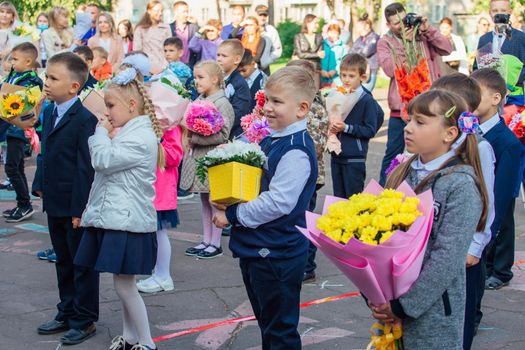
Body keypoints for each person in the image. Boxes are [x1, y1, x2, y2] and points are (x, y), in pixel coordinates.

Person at [211, 66, 318, 349]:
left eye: (277, 102)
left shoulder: (295, 149)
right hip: (260, 248)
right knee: (269, 324)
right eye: (267, 99)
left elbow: (278, 202)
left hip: (277, 253)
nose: (268, 108)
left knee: (279, 331)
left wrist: (232, 214)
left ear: (302, 108)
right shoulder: (274, 136)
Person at [373, 90, 488, 348]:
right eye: (409, 119)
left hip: (434, 312)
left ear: (449, 134)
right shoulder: (402, 171)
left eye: (420, 122)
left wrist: (404, 306)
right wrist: (375, 295)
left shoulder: (460, 185)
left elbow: (447, 257)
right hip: (391, 304)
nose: (408, 128)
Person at [75, 67, 163, 350]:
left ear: (132, 105)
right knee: (122, 284)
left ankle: (147, 342)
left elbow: (102, 160)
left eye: (111, 105)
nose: (107, 112)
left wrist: (100, 132)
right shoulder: (131, 132)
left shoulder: (140, 137)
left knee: (125, 286)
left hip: (127, 221)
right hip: (118, 218)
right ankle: (130, 338)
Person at [33, 52, 99, 345]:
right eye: (47, 76)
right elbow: (45, 151)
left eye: (53, 78)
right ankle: (67, 309)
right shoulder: (49, 111)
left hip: (74, 204)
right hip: (55, 199)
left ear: (74, 87)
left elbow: (86, 168)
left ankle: (84, 319)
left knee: (81, 263)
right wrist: (40, 183)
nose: (46, 83)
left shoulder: (85, 119)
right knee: (63, 259)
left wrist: (80, 209)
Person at [430, 73, 496, 350]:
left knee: (460, 325)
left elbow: (487, 200)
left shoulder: (478, 146)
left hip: (466, 256)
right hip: (437, 252)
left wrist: (475, 246)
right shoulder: (434, 146)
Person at [377, 2, 452, 186]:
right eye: (396, 24)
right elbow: (389, 69)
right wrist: (406, 44)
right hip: (401, 108)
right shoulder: (385, 42)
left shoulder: (423, 34)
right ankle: (384, 190)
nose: (402, 26)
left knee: (429, 151)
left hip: (430, 104)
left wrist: (429, 30)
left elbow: (447, 48)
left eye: (404, 20)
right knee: (393, 155)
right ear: (388, 25)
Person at [470, 69, 521, 330]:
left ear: (495, 98)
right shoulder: (465, 130)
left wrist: (489, 231)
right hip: (465, 212)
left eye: (475, 93)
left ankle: (473, 317)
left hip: (483, 221)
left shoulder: (507, 142)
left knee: (476, 270)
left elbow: (500, 196)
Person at [182, 60, 234, 259]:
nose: (196, 81)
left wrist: (194, 137)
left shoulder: (222, 103)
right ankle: (206, 239)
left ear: (215, 79)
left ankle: (215, 243)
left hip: (213, 157)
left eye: (200, 77)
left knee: (215, 201)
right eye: (195, 77)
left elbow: (223, 134)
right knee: (204, 200)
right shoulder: (198, 100)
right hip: (198, 158)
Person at [287, 59, 328, 283]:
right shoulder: (298, 104)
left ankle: (307, 265)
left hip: (310, 175)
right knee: (295, 220)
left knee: (305, 221)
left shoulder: (315, 108)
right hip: (297, 173)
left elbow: (316, 146)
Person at [137, 124, 183, 293]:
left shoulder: (169, 125)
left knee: (159, 232)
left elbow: (174, 157)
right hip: (150, 186)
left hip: (160, 188)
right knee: (153, 233)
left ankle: (163, 276)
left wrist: (158, 139)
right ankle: (158, 273)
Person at [330, 53, 384, 199]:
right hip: (336, 154)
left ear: (362, 77)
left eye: (351, 76)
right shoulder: (337, 95)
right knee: (338, 198)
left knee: (353, 199)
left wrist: (346, 128)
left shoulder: (366, 100)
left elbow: (370, 129)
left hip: (355, 157)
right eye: (343, 75)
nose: (346, 80)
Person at [0, 43, 43, 223]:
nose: (11, 62)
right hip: (10, 127)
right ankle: (22, 203)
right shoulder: (15, 74)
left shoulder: (31, 79)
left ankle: (25, 205)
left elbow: (25, 103)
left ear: (28, 61)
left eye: (15, 59)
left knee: (12, 167)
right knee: (16, 167)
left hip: (19, 128)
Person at [216, 39, 251, 139]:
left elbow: (238, 113)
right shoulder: (217, 79)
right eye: (218, 55)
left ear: (236, 59)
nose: (219, 59)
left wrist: (216, 125)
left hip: (232, 135)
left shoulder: (240, 84)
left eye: (224, 56)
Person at [134, 0, 171, 75]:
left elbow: (170, 49)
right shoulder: (140, 29)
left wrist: (164, 67)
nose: (160, 13)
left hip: (164, 68)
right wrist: (149, 68)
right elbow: (137, 52)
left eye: (161, 11)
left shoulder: (166, 27)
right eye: (157, 11)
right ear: (149, 11)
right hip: (146, 70)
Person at [351, 14, 380, 91]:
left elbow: (366, 52)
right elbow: (351, 52)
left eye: (359, 27)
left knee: (365, 93)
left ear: (367, 26)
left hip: (370, 71)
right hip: (358, 69)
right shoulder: (360, 38)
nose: (357, 30)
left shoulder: (375, 37)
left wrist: (358, 49)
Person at [169, 1, 199, 68]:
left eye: (187, 11)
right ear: (175, 12)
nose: (187, 14)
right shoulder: (168, 28)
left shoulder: (194, 27)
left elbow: (198, 48)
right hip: (173, 66)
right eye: (184, 12)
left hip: (190, 65)